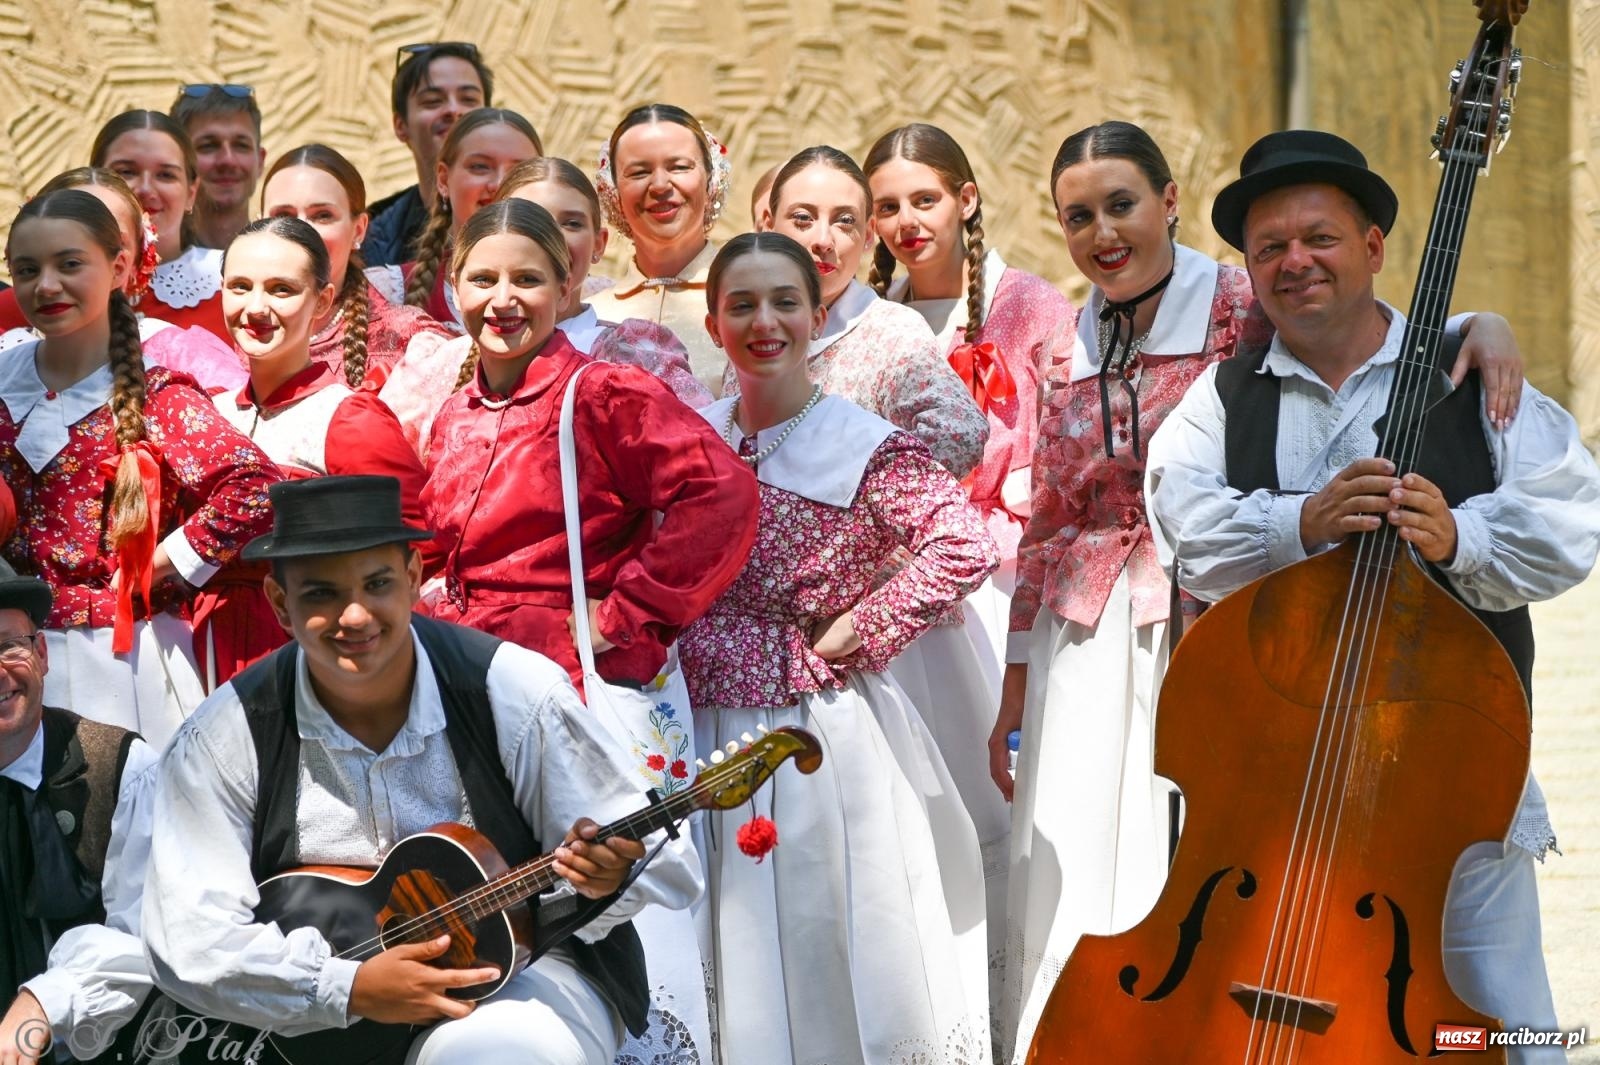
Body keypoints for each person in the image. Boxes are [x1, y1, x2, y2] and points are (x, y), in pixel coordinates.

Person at [995, 120, 1527, 1063]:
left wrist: (1476, 326)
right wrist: (1015, 677)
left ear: (1168, 202)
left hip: (1213, 625)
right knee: (1092, 870)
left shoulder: (1247, 296)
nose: (1103, 231)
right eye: (1078, 216)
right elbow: (1046, 514)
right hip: (1090, 630)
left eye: (1122, 204)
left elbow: (1370, 326)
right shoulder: (1067, 336)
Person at [1145, 129, 1600, 1065]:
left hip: (1453, 773)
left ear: (1376, 247)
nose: (1293, 262)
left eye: (1318, 237)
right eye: (1269, 248)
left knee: (1502, 1015)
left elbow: (1573, 522)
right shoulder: (1221, 400)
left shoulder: (1474, 375)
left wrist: (1462, 536)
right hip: (1282, 778)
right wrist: (1298, 524)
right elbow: (1183, 525)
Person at [142, 475, 701, 1065]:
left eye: (377, 584)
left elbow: (663, 861)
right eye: (320, 595)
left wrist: (608, 877)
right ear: (280, 604)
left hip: (525, 975)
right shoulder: (226, 733)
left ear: (413, 577)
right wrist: (348, 988)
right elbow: (190, 939)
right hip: (318, 1017)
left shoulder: (509, 690)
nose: (354, 616)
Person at [682, 232, 998, 1064]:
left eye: (785, 301)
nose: (764, 321)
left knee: (816, 931)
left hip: (811, 731)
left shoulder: (861, 443)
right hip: (692, 722)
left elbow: (962, 542)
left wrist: (866, 625)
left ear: (818, 315)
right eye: (741, 304)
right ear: (714, 323)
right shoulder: (691, 437)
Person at [418, 198, 757, 690]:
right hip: (459, 676)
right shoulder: (456, 412)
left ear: (564, 288)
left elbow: (723, 493)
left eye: (527, 280)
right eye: (483, 279)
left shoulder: (605, 394)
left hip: (569, 682)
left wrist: (624, 613)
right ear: (455, 287)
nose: (503, 299)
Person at [0, 189, 278, 746]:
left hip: (122, 663)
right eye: (27, 270)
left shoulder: (155, 394)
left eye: (70, 264)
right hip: (14, 664)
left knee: (125, 814)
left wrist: (160, 565)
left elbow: (255, 488)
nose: (46, 285)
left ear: (120, 266)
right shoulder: (3, 378)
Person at [866, 122, 1077, 676]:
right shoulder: (872, 321)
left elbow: (1067, 447)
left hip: (1004, 572)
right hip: (893, 576)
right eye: (887, 207)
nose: (906, 222)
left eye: (925, 200)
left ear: (966, 199)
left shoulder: (1030, 304)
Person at [192, 216, 427, 690]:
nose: (255, 307)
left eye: (281, 289)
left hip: (309, 655)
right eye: (240, 287)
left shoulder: (347, 417)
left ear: (322, 301)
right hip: (196, 647)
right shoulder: (206, 411)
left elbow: (416, 553)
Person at [0, 561, 158, 1065]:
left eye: (8, 646)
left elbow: (146, 934)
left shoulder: (123, 767)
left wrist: (42, 1004)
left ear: (42, 653)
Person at [758, 145, 988, 476]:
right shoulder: (749, 323)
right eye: (803, 219)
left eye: (844, 221)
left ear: (868, 235)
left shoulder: (890, 331)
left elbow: (961, 433)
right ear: (767, 225)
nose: (823, 240)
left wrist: (862, 501)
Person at [0, 167, 246, 391]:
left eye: (113, 239)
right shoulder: (9, 355)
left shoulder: (178, 353)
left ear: (132, 259)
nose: (49, 285)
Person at [261, 144, 453, 388]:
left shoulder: (410, 341)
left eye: (322, 215)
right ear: (258, 227)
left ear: (359, 230)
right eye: (283, 217)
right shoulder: (234, 332)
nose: (302, 231)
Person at [588, 103, 734, 396]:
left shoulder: (750, 299)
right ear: (612, 192)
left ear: (711, 179)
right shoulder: (590, 314)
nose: (659, 185)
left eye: (679, 167)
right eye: (639, 172)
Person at [390, 108, 542, 331]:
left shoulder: (584, 297)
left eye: (519, 171)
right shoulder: (390, 291)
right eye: (480, 167)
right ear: (443, 179)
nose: (499, 183)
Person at [364, 42, 494, 268]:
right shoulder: (375, 237)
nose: (454, 110)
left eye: (469, 99)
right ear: (400, 125)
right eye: (433, 101)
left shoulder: (532, 212)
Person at [169, 83, 266, 251]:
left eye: (241, 145)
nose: (227, 160)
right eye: (208, 146)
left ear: (260, 161)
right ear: (177, 160)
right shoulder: (153, 266)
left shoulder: (278, 256)